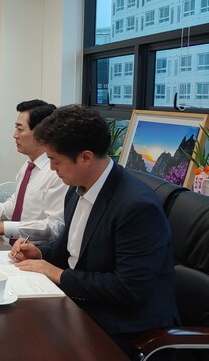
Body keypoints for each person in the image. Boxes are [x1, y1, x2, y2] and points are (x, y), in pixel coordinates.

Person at [10, 104, 177, 358]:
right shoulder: (75, 189)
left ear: (86, 157)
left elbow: (128, 288)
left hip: (124, 327)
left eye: (55, 161)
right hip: (82, 304)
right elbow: (70, 250)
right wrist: (40, 254)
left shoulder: (136, 206)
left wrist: (58, 274)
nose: (52, 169)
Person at [0, 100, 67, 245]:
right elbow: (15, 205)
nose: (15, 135)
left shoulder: (57, 173)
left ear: (42, 134)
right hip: (13, 248)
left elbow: (54, 227)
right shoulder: (29, 166)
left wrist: (3, 227)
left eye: (20, 129)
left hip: (37, 254)